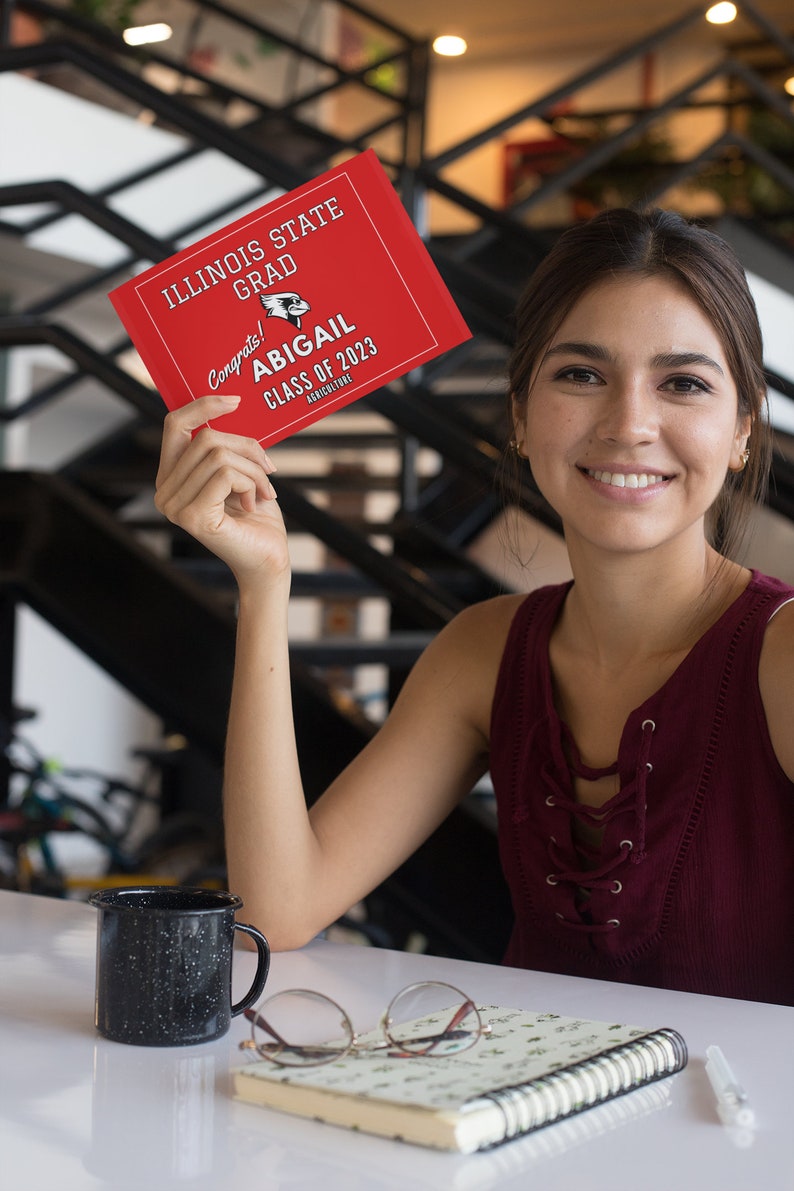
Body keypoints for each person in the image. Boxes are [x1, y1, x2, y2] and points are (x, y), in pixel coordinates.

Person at [155, 207, 794, 1006]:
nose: (630, 423)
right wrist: (264, 583)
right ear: (521, 416)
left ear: (741, 430)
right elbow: (280, 910)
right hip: (528, 1123)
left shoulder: (782, 652)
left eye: (684, 384)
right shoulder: (483, 652)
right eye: (582, 374)